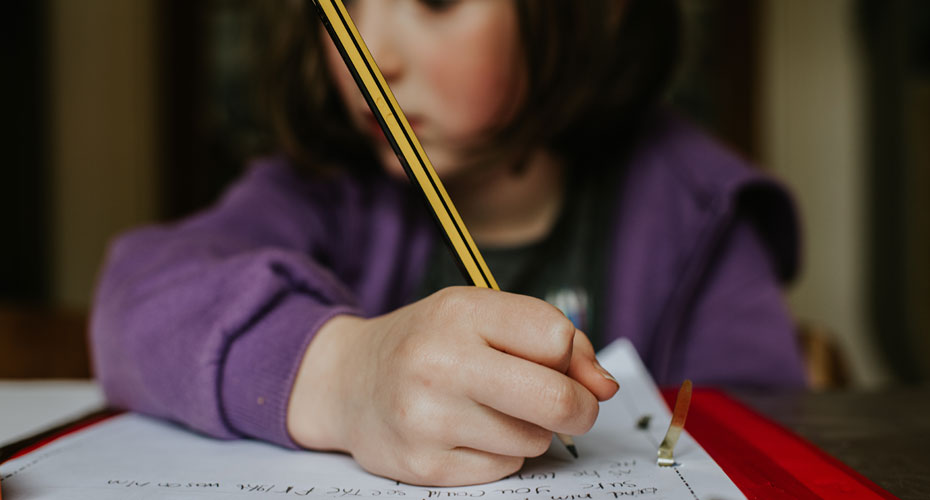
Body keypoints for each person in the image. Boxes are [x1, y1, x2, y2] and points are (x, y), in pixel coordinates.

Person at [90, 0, 805, 487]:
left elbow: (762, 447)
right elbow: (138, 298)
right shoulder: (318, 189)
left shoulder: (697, 211)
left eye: (434, 0)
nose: (368, 53)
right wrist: (346, 378)